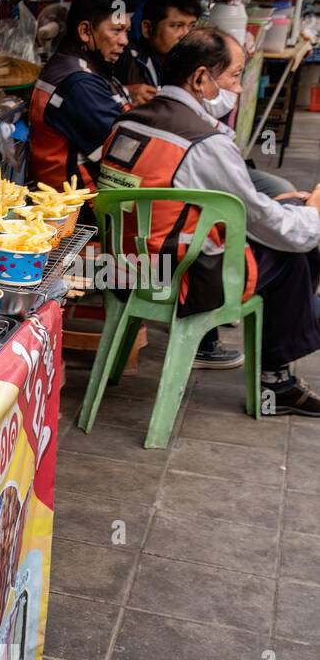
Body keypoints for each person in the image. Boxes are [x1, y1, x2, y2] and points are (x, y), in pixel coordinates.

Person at [97, 27, 320, 415]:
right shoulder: (204, 143)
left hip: (120, 268)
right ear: (201, 78)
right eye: (234, 76)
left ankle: (276, 368)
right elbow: (270, 225)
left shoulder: (128, 122)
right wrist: (311, 214)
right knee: (296, 254)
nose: (237, 87)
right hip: (177, 278)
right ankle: (276, 381)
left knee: (286, 231)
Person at [29, 0, 133, 193]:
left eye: (127, 31)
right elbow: (126, 148)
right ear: (85, 31)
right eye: (116, 30)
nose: (125, 41)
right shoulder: (78, 83)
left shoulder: (83, 64)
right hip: (80, 206)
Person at [113, 0, 200, 105]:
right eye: (176, 26)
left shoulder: (191, 66)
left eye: (192, 26)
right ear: (147, 29)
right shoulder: (123, 57)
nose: (186, 34)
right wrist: (125, 92)